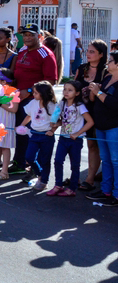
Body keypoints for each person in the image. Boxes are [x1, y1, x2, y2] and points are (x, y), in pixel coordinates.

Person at [7, 23, 58, 174]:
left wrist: (29, 91)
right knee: (20, 133)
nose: (27, 38)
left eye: (31, 35)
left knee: (31, 135)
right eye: (25, 35)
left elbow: (51, 81)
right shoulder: (22, 52)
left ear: (39, 36)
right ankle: (19, 163)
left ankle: (34, 169)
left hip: (34, 101)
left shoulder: (45, 53)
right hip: (18, 99)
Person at [46, 81, 93, 196]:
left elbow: (90, 122)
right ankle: (58, 185)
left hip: (75, 140)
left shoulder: (79, 106)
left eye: (70, 90)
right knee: (57, 161)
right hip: (63, 138)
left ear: (77, 93)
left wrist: (77, 133)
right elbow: (63, 121)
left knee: (75, 164)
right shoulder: (62, 104)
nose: (66, 92)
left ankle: (72, 188)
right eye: (65, 89)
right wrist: (55, 125)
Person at [85, 50, 118, 206]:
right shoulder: (107, 79)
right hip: (101, 126)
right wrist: (94, 90)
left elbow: (114, 104)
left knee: (116, 161)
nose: (108, 63)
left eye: (111, 60)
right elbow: (96, 100)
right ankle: (105, 190)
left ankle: (116, 194)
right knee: (106, 160)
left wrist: (98, 92)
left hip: (114, 127)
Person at [75, 40, 109, 191]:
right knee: (86, 144)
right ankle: (85, 177)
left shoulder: (107, 71)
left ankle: (91, 178)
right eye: (87, 51)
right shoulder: (82, 69)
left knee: (97, 145)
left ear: (101, 54)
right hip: (82, 111)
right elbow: (74, 87)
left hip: (100, 112)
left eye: (92, 51)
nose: (88, 54)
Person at [17, 81, 58, 192]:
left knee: (45, 159)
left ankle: (44, 181)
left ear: (44, 93)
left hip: (46, 136)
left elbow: (59, 121)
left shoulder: (53, 105)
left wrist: (52, 130)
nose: (33, 94)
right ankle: (39, 174)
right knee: (29, 157)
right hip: (34, 134)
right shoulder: (33, 103)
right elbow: (29, 116)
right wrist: (21, 126)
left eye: (35, 92)